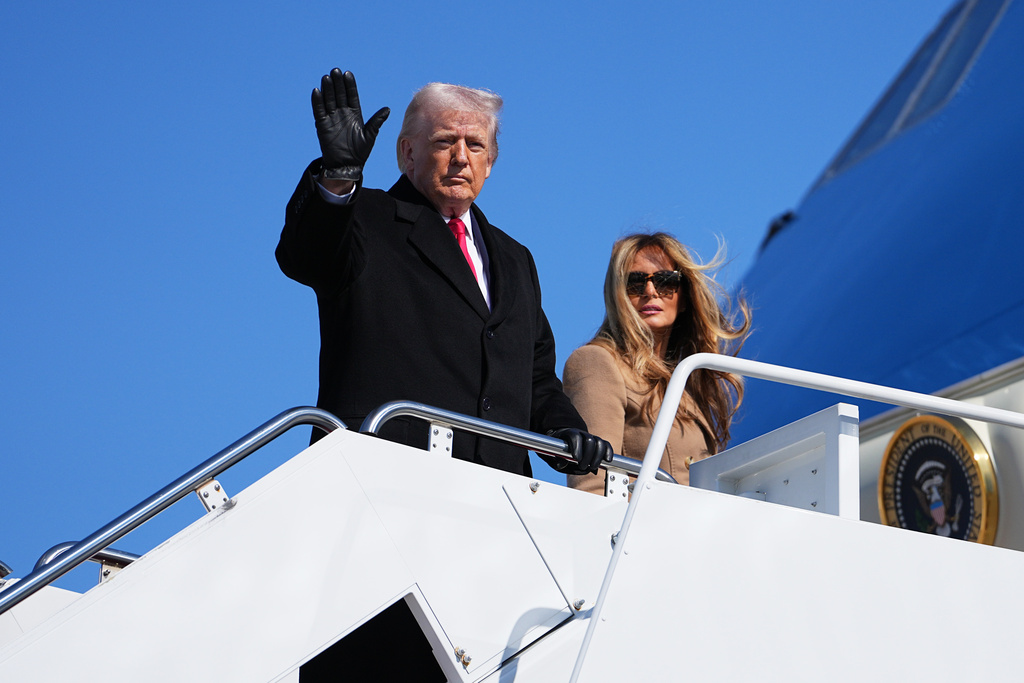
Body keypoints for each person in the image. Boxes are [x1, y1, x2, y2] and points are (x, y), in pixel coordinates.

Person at [276, 68, 612, 477]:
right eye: (444, 142)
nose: (460, 157)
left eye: (475, 145)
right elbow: (307, 257)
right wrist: (338, 176)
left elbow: (534, 378)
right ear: (407, 153)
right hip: (380, 481)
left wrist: (565, 430)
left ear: (490, 163)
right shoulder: (364, 216)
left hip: (498, 499)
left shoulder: (514, 259)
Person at [564, 232, 751, 495]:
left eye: (665, 281)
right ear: (617, 295)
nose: (650, 291)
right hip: (640, 531)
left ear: (684, 296)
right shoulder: (598, 362)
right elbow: (592, 487)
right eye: (635, 283)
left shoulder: (688, 381)